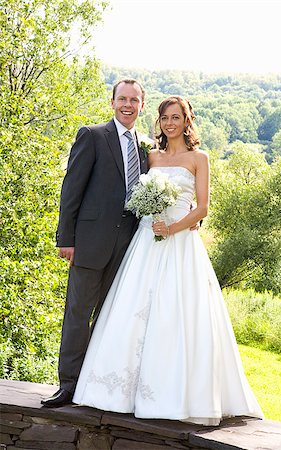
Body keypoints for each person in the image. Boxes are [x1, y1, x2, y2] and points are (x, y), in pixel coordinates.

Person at [72, 96, 264, 425]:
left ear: (187, 121)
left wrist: (172, 229)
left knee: (177, 316)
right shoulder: (151, 156)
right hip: (145, 243)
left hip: (180, 244)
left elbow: (202, 208)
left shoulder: (199, 158)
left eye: (176, 117)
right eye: (165, 118)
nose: (170, 123)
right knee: (130, 314)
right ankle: (115, 393)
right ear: (159, 122)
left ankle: (176, 396)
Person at [41, 79, 148, 408]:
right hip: (88, 244)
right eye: (122, 99)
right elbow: (71, 189)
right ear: (112, 101)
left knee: (109, 316)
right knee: (78, 314)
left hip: (127, 247)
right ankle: (68, 385)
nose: (127, 105)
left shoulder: (143, 149)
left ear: (142, 105)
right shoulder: (92, 135)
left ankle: (94, 383)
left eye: (134, 100)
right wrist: (66, 238)